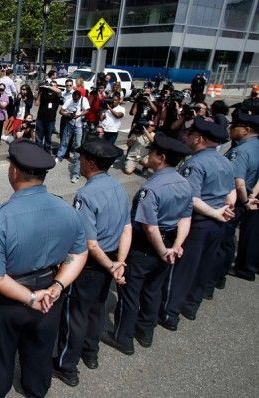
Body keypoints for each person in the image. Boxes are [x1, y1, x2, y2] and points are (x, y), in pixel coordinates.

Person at [0, 139, 87, 397]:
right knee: (40, 350)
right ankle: (36, 390)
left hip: (8, 299)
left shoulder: (0, 217)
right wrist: (57, 285)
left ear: (14, 171)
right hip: (50, 294)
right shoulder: (66, 210)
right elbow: (79, 252)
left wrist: (31, 297)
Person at [102, 134, 192, 355]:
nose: (147, 155)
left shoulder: (151, 189)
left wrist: (162, 251)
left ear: (160, 157)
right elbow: (185, 217)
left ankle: (123, 337)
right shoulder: (184, 183)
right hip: (169, 243)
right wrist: (175, 247)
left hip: (146, 247)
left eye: (151, 152)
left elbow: (149, 227)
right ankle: (145, 331)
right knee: (153, 289)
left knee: (130, 292)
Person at [53, 138, 131, 387]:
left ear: (89, 162)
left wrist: (111, 265)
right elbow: (127, 228)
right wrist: (119, 263)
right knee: (97, 309)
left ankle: (67, 365)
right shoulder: (118, 187)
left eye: (81, 158)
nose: (78, 162)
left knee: (75, 315)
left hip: (91, 264)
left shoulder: (85, 194)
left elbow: (90, 243)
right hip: (111, 259)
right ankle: (91, 353)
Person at [157, 118, 234, 332]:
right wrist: (225, 209)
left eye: (190, 135)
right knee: (204, 265)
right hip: (218, 222)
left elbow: (191, 198)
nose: (186, 137)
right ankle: (191, 305)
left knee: (183, 269)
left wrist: (216, 214)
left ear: (199, 139)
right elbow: (231, 191)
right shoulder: (224, 161)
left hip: (199, 222)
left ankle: (169, 312)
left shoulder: (194, 164)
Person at [224, 110, 259, 281]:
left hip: (235, 200)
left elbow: (239, 183)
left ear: (246, 129)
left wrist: (245, 200)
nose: (231, 128)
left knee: (224, 241)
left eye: (234, 126)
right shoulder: (256, 145)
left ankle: (216, 277)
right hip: (247, 197)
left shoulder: (241, 151)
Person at [57, 90, 90, 184]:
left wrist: (78, 115)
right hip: (70, 123)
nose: (75, 100)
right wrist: (67, 114)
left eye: (76, 99)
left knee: (78, 147)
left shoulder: (84, 100)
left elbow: (87, 110)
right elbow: (61, 110)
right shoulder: (70, 100)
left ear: (79, 97)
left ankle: (76, 174)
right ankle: (59, 156)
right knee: (65, 141)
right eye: (73, 98)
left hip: (79, 126)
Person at [34, 82, 63, 153]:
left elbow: (59, 91)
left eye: (54, 86)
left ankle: (46, 153)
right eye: (51, 85)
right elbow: (36, 104)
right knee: (38, 138)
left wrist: (47, 86)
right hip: (40, 119)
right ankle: (38, 152)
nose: (52, 87)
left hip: (50, 120)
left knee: (48, 138)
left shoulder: (57, 95)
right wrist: (40, 92)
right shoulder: (44, 93)